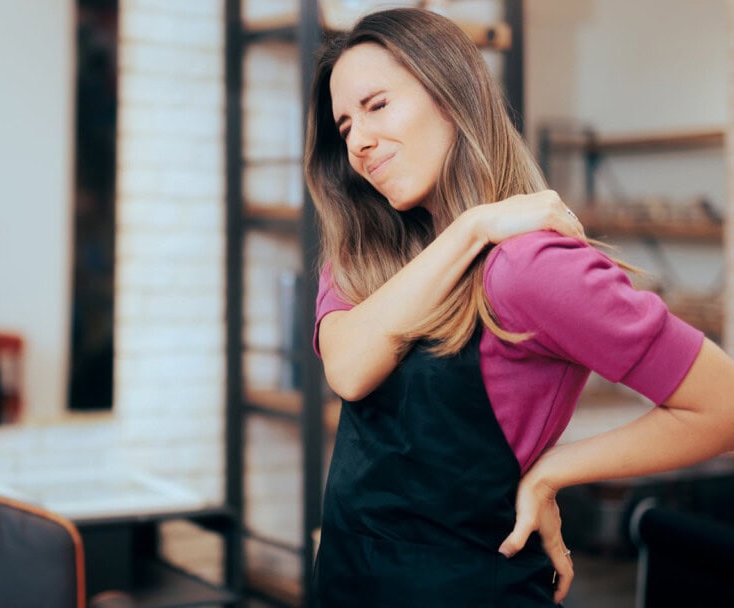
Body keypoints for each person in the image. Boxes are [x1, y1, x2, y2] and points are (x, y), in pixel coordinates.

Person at [307, 8, 734, 607]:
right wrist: (476, 226)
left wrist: (554, 470)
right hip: (345, 584)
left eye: (377, 105)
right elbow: (349, 369)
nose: (358, 141)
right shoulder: (363, 252)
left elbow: (723, 407)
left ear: (451, 96)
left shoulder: (532, 269)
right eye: (344, 125)